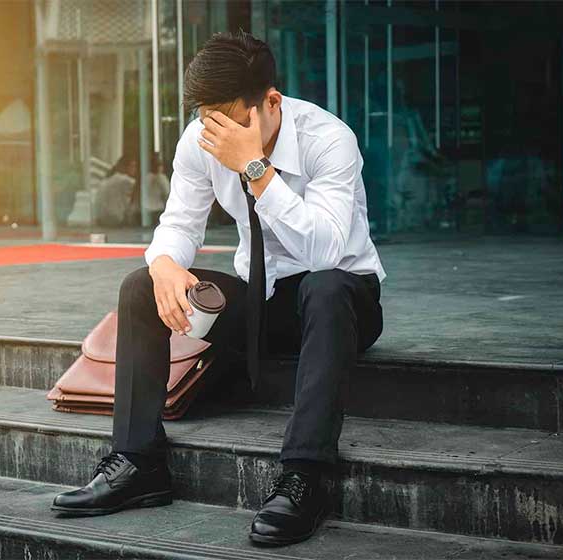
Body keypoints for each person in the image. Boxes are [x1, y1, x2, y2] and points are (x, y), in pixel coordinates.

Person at [51, 30, 386, 547]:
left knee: (324, 285)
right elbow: (181, 224)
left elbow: (326, 251)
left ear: (270, 102)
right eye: (207, 117)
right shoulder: (200, 138)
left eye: (228, 118)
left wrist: (256, 169)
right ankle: (139, 463)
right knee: (141, 286)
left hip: (343, 306)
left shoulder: (329, 139)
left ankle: (306, 477)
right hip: (261, 305)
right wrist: (164, 264)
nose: (215, 131)